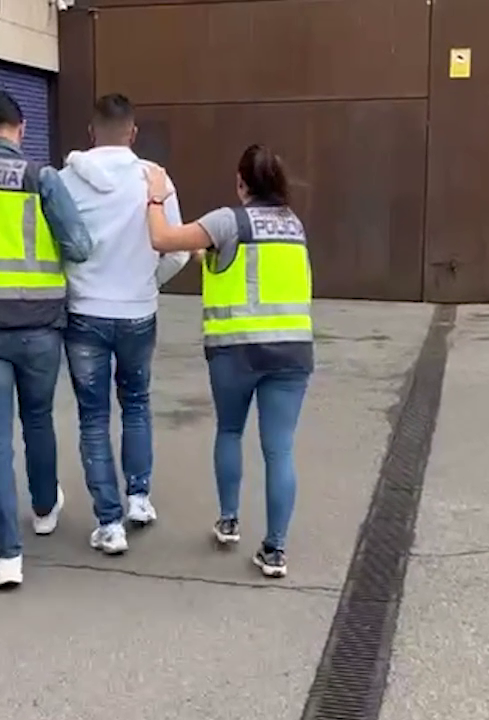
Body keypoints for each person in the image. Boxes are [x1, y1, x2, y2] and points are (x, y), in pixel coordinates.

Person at [0, 90, 93, 589]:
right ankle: (45, 508)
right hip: (36, 327)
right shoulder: (39, 178)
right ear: (20, 129)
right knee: (37, 419)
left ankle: (7, 556)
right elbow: (79, 246)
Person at [141, 144, 312, 578]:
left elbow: (162, 239)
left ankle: (229, 521)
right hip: (292, 353)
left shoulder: (226, 220)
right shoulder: (294, 225)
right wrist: (208, 252)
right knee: (280, 450)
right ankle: (275, 551)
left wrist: (156, 197)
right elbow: (248, 264)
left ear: (241, 183)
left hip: (236, 353)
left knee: (230, 431)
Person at [56, 93, 190, 555]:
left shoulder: (64, 181)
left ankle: (109, 525)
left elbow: (56, 247)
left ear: (91, 132)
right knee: (136, 403)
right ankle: (139, 498)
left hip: (85, 312)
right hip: (138, 311)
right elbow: (177, 248)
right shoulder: (154, 178)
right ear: (132, 133)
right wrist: (148, 281)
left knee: (93, 417)